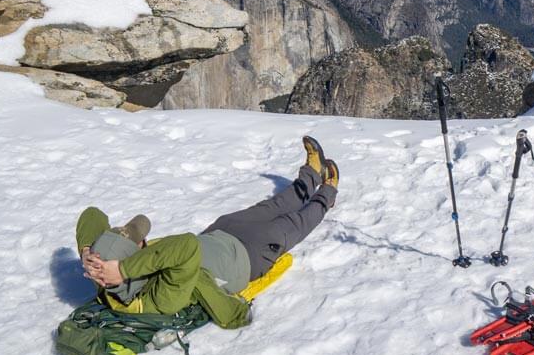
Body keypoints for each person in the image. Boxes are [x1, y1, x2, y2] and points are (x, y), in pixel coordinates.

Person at [77, 136, 339, 329]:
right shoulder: (161, 295)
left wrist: (88, 252)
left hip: (221, 232)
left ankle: (311, 175)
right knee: (294, 223)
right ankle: (327, 193)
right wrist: (123, 269)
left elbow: (92, 214)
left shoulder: (102, 271)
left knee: (274, 206)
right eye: (136, 243)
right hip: (248, 256)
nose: (142, 242)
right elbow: (186, 247)